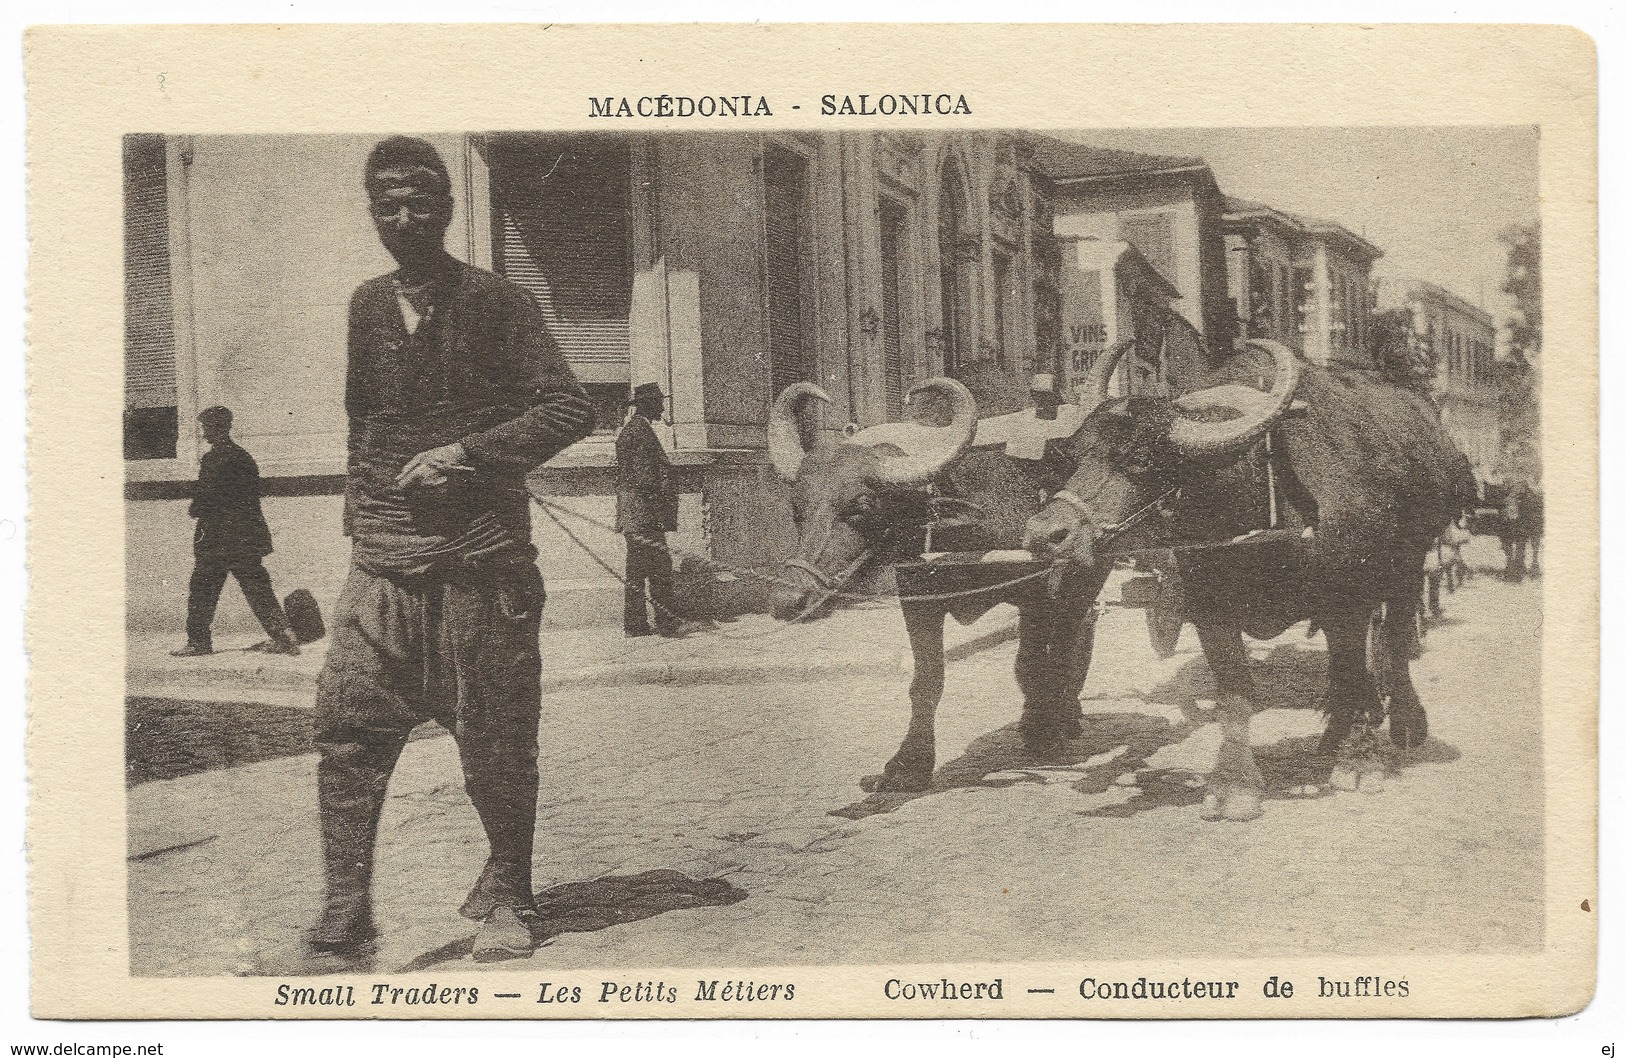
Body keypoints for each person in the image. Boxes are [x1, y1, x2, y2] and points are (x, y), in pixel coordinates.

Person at [266, 137, 595, 974]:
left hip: (480, 569)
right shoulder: (365, 304)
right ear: (372, 214)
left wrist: (468, 455)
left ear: (447, 209)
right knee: (345, 734)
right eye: (387, 206)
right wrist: (364, 520)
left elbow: (568, 408)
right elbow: (364, 424)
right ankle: (346, 913)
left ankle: (512, 896)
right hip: (380, 566)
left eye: (419, 203)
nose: (403, 220)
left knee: (494, 739)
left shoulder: (499, 302)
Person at [170, 405, 300, 657]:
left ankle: (198, 643)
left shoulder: (214, 459)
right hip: (245, 536)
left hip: (219, 538)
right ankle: (285, 638)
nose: (205, 434)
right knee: (258, 589)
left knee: (202, 589)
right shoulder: (244, 457)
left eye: (207, 428)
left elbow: (206, 499)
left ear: (217, 428)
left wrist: (195, 507)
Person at [616, 382, 706, 638]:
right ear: (648, 405)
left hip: (634, 515)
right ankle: (666, 624)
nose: (662, 407)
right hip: (645, 515)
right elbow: (646, 479)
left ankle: (635, 625)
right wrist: (665, 494)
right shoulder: (640, 432)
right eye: (659, 402)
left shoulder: (631, 430)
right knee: (659, 570)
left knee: (636, 571)